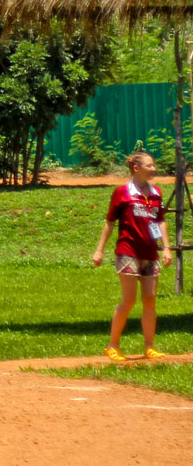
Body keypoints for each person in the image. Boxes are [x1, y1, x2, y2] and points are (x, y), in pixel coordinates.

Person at [92, 151, 175, 362]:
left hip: (150, 253)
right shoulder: (122, 193)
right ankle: (113, 346)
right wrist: (99, 250)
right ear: (136, 168)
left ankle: (149, 347)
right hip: (128, 251)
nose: (154, 169)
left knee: (150, 299)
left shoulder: (156, 193)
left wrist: (165, 247)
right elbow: (110, 222)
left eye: (154, 165)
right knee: (129, 300)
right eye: (150, 165)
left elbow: (157, 223)